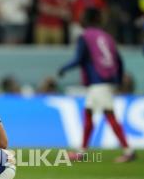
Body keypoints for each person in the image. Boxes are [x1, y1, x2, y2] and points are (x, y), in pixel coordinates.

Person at [58, 8, 135, 163]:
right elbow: (119, 60)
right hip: (107, 80)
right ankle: (82, 152)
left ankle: (128, 151)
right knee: (88, 113)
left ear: (85, 20)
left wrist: (63, 69)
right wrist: (118, 80)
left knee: (109, 115)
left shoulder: (85, 37)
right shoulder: (107, 37)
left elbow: (79, 59)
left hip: (98, 81)